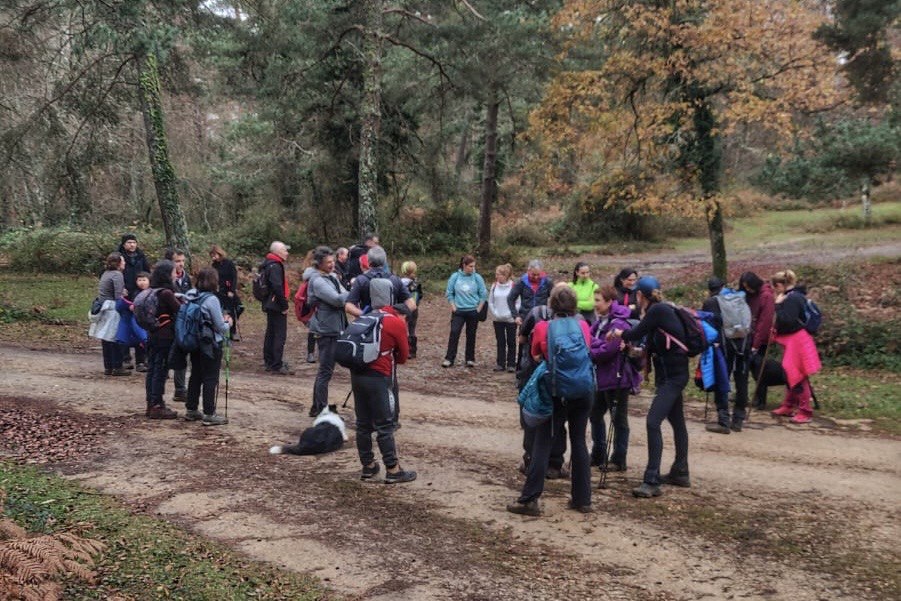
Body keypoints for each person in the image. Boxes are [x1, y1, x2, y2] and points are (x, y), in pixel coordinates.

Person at [507, 285, 593, 516]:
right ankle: (582, 500)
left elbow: (535, 356)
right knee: (579, 442)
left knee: (543, 443)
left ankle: (529, 500)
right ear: (575, 305)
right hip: (584, 390)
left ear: (551, 304)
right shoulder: (583, 325)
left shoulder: (544, 327)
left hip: (557, 392)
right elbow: (589, 350)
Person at [610, 275, 691, 498]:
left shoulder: (658, 311)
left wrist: (618, 333)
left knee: (652, 421)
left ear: (640, 295)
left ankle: (652, 479)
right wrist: (632, 351)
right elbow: (647, 346)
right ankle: (680, 471)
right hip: (671, 376)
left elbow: (635, 333)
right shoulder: (661, 312)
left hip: (673, 378)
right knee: (677, 422)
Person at [351, 280, 416, 484]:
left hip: (357, 374)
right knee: (384, 423)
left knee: (363, 423)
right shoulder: (393, 321)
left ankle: (368, 466)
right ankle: (392, 469)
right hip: (379, 377)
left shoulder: (364, 318)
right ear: (390, 296)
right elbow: (404, 356)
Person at [515, 294, 568, 480]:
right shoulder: (577, 322)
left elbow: (522, 340)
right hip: (563, 379)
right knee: (558, 421)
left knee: (531, 418)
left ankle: (531, 460)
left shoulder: (537, 315)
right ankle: (554, 463)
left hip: (535, 374)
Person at [589, 286, 641, 471]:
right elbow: (588, 337)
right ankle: (598, 453)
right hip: (601, 377)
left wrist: (593, 347)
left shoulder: (619, 324)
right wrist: (597, 344)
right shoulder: (602, 321)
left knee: (618, 420)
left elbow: (607, 351)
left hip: (617, 377)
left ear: (609, 302)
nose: (594, 304)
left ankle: (619, 459)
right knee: (595, 414)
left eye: (598, 301)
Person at [181, 268, 232, 426]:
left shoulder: (191, 295)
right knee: (210, 377)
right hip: (210, 343)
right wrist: (228, 322)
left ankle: (191, 409)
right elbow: (220, 327)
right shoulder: (212, 300)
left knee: (196, 374)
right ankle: (209, 413)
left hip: (194, 341)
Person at [770, 270, 821, 424]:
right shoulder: (795, 296)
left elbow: (787, 321)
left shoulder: (792, 299)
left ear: (779, 285)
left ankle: (805, 411)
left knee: (797, 375)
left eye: (775, 288)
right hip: (794, 340)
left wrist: (777, 306)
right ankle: (789, 405)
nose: (774, 291)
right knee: (790, 372)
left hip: (797, 341)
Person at [702, 277, 750, 432]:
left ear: (710, 290)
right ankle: (738, 420)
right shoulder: (739, 298)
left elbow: (707, 327)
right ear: (723, 286)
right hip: (743, 344)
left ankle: (723, 421)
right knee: (742, 380)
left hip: (723, 347)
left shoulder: (710, 302)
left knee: (722, 380)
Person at [307, 246, 349, 418]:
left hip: (334, 326)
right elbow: (338, 299)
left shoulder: (331, 277)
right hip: (326, 329)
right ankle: (322, 409)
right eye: (328, 262)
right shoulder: (317, 281)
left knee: (326, 370)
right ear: (319, 264)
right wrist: (354, 291)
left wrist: (348, 293)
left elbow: (343, 294)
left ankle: (316, 407)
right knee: (325, 371)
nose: (332, 265)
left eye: (333, 261)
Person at [144, 260, 181, 419]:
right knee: (160, 370)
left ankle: (151, 402)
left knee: (152, 369)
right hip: (164, 336)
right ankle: (157, 405)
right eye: (173, 271)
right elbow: (179, 310)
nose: (176, 273)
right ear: (167, 274)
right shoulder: (166, 293)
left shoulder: (152, 290)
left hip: (152, 333)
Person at [441, 255, 488, 368]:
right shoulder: (455, 277)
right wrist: (453, 306)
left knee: (471, 334)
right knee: (454, 332)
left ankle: (470, 358)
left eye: (474, 266)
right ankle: (449, 358)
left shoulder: (477, 278)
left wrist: (478, 309)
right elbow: (449, 292)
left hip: (473, 310)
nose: (473, 268)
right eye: (470, 266)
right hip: (459, 311)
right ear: (464, 266)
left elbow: (483, 294)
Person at [345, 246, 414, 317]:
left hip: (369, 325)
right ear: (384, 262)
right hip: (390, 323)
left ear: (368, 261)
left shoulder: (361, 280)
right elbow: (412, 305)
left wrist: (365, 316)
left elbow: (348, 306)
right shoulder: (395, 279)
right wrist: (394, 313)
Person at [740, 271, 775, 410]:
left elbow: (764, 323)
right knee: (753, 370)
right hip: (752, 336)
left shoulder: (766, 296)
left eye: (749, 287)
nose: (747, 290)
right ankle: (756, 397)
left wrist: (756, 344)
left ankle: (761, 399)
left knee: (759, 370)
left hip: (760, 340)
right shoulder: (753, 296)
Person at [508, 260, 553, 368]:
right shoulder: (521, 282)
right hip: (525, 318)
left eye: (538, 274)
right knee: (523, 344)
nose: (536, 277)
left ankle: (539, 368)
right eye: (533, 274)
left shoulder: (547, 282)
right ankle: (520, 370)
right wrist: (516, 316)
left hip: (542, 319)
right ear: (528, 271)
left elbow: (555, 297)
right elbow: (510, 299)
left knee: (541, 343)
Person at [90, 252, 128, 376]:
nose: (124, 263)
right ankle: (117, 366)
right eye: (122, 261)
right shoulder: (117, 275)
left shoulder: (105, 274)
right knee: (114, 337)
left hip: (103, 306)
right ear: (118, 263)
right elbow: (118, 296)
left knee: (105, 338)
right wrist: (124, 294)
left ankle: (108, 366)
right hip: (112, 308)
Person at [118, 233, 150, 371]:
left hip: (140, 294)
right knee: (126, 327)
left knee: (140, 327)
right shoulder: (119, 257)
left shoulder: (141, 257)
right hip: (125, 296)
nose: (132, 245)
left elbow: (147, 273)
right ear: (124, 244)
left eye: (134, 242)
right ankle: (125, 358)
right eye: (129, 242)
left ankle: (141, 360)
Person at [260, 241, 292, 375]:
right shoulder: (275, 266)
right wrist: (284, 305)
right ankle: (276, 364)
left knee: (271, 332)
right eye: (285, 250)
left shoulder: (268, 264)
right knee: (279, 334)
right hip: (276, 305)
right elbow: (277, 287)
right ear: (278, 252)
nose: (287, 253)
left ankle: (270, 360)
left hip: (269, 303)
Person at [169, 249, 191, 404]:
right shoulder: (166, 279)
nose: (181, 264)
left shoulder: (186, 277)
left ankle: (180, 389)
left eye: (182, 260)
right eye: (177, 261)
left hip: (183, 320)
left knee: (181, 353)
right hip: (169, 321)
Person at [209, 244, 242, 341]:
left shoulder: (229, 263)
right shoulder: (214, 265)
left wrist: (232, 290)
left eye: (214, 255)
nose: (213, 257)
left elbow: (234, 277)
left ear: (219, 253)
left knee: (232, 310)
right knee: (220, 311)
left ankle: (233, 331)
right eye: (212, 255)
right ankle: (221, 331)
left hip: (229, 290)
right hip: (218, 291)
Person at [488, 263, 517, 372]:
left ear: (505, 275)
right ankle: (500, 363)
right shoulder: (494, 286)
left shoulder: (513, 286)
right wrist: (494, 313)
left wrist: (512, 314)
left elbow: (518, 302)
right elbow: (491, 301)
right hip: (497, 318)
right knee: (500, 341)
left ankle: (511, 364)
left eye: (499, 274)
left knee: (511, 341)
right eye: (496, 274)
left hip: (510, 319)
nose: (497, 276)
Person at [399, 261, 423, 359]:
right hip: (413, 309)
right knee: (412, 329)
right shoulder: (416, 284)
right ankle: (412, 351)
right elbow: (419, 297)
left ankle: (402, 350)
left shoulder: (399, 282)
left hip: (401, 308)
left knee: (402, 329)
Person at [300, 250, 319, 364]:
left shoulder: (307, 272)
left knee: (314, 329)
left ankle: (311, 353)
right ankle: (311, 353)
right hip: (313, 303)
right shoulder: (312, 273)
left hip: (311, 303)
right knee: (314, 329)